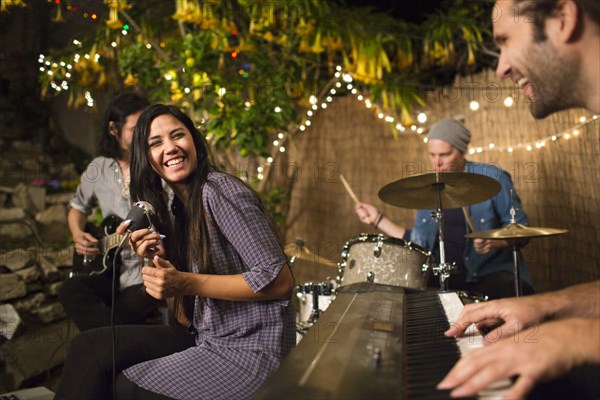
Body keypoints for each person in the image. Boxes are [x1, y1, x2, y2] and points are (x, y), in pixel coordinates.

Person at [54, 104, 296, 400]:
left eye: (177, 135)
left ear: (193, 140)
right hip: (205, 337)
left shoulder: (219, 191)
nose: (170, 148)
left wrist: (186, 281)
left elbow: (280, 281)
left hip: (251, 352)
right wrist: (162, 263)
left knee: (126, 387)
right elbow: (182, 318)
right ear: (147, 158)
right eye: (156, 142)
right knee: (88, 349)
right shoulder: (176, 209)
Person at [438, 0, 600, 398]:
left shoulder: (492, 178)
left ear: (563, 19)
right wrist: (549, 306)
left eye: (506, 41)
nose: (501, 67)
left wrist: (578, 337)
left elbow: (518, 228)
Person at [355, 117, 534, 299]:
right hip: (446, 278)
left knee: (499, 292)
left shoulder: (493, 178)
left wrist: (495, 242)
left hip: (488, 275)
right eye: (432, 155)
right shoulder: (430, 187)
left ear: (462, 151)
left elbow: (521, 230)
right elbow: (419, 244)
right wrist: (378, 219)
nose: (437, 162)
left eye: (445, 154)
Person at [58, 92, 161, 331]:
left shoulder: (156, 161)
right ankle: (111, 344)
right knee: (70, 289)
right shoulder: (98, 167)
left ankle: (107, 347)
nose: (143, 135)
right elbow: (77, 209)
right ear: (114, 129)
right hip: (109, 272)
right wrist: (77, 234)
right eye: (136, 129)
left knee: (118, 315)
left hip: (148, 274)